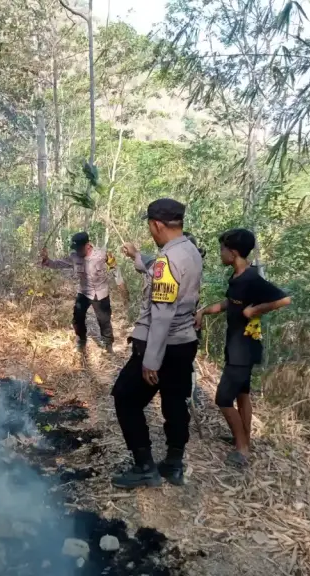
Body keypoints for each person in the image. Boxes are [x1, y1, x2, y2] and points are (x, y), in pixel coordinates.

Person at [111, 198, 203, 488]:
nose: (151, 231)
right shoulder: (190, 250)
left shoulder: (167, 260)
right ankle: (173, 465)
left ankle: (144, 467)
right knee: (175, 401)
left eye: (151, 226)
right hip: (185, 341)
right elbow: (154, 271)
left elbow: (162, 313)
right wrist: (138, 257)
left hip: (163, 345)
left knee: (125, 398)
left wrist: (151, 359)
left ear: (157, 225)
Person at [195, 228, 291, 468]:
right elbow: (231, 302)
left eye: (222, 249)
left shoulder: (252, 278)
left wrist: (255, 310)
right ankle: (243, 436)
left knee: (223, 398)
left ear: (234, 252)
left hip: (243, 348)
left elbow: (284, 299)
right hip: (237, 345)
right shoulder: (237, 277)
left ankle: (242, 449)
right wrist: (204, 311)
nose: (220, 253)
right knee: (242, 393)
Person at [41, 232, 114, 353]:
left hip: (100, 293)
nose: (77, 251)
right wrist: (46, 260)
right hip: (84, 292)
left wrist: (119, 281)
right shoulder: (74, 257)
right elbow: (57, 264)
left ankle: (108, 343)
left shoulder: (102, 254)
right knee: (77, 318)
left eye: (79, 248)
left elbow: (113, 265)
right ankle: (81, 341)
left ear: (88, 245)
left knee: (104, 320)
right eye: (76, 249)